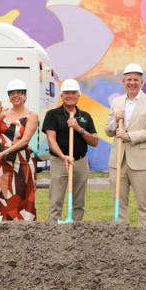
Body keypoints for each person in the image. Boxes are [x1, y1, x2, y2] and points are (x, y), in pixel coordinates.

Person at [105, 63, 146, 228]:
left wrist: (128, 136)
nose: (132, 83)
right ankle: (121, 237)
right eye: (129, 79)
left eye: (136, 79)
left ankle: (145, 236)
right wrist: (115, 121)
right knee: (118, 202)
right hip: (118, 161)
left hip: (141, 161)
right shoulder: (116, 103)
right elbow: (108, 131)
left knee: (144, 203)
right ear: (123, 81)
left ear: (141, 82)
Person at [42, 78, 99, 222]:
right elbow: (51, 140)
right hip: (59, 161)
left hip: (80, 161)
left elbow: (94, 141)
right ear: (61, 96)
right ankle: (53, 232)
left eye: (74, 93)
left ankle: (75, 231)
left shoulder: (85, 116)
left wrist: (79, 129)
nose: (70, 96)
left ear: (79, 96)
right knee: (56, 200)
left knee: (79, 202)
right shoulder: (52, 115)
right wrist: (63, 156)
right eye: (67, 93)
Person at [0, 79, 38, 221]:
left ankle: (25, 228)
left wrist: (3, 153)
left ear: (25, 96)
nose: (16, 96)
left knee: (22, 195)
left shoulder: (32, 115)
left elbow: (25, 140)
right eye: (12, 93)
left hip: (23, 161)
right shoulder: (3, 112)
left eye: (20, 93)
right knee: (5, 194)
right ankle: (4, 226)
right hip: (4, 162)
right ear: (9, 96)